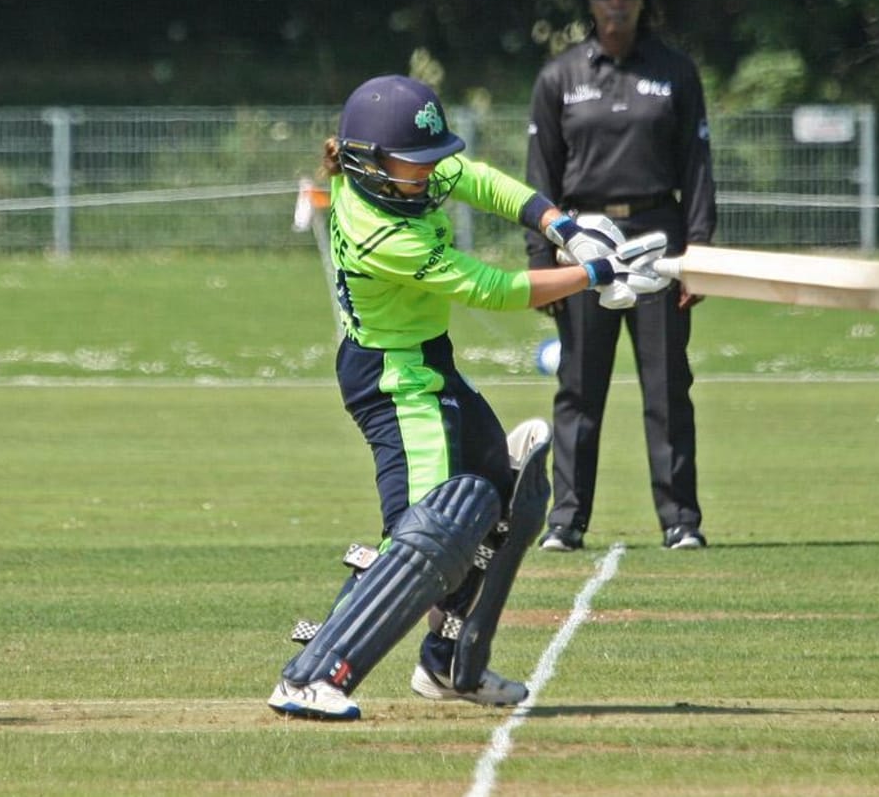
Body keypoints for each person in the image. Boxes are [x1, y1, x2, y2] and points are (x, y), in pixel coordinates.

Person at [267, 74, 664, 721]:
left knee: (509, 497)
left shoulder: (400, 175)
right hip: (394, 382)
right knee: (425, 536)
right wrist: (595, 273)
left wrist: (565, 227)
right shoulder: (382, 233)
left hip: (430, 363)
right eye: (413, 164)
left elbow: (480, 180)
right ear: (367, 161)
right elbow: (493, 289)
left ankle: (449, 665)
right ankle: (311, 675)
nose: (428, 175)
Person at [526, 0, 718, 552]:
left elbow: (698, 164)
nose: (617, 2)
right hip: (584, 239)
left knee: (667, 387)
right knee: (579, 389)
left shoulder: (675, 71)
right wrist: (543, 264)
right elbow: (541, 175)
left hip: (659, 235)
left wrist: (700, 247)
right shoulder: (561, 75)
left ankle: (680, 519)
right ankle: (566, 521)